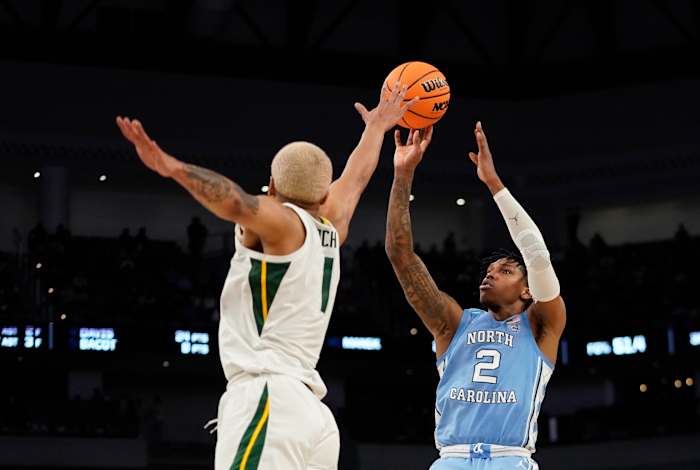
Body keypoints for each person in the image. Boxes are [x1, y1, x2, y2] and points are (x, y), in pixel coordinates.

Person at [116, 83, 418, 470]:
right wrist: (375, 129)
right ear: (324, 194)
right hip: (312, 414)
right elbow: (356, 176)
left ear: (272, 188)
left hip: (268, 399)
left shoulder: (282, 225)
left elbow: (235, 201)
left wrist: (171, 167)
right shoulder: (333, 224)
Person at [385, 122, 566, 469]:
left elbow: (536, 254)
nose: (490, 274)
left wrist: (494, 184)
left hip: (509, 460)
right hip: (450, 459)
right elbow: (400, 254)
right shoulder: (453, 323)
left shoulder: (543, 324)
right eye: (488, 270)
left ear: (527, 291)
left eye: (505, 271)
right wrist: (402, 174)